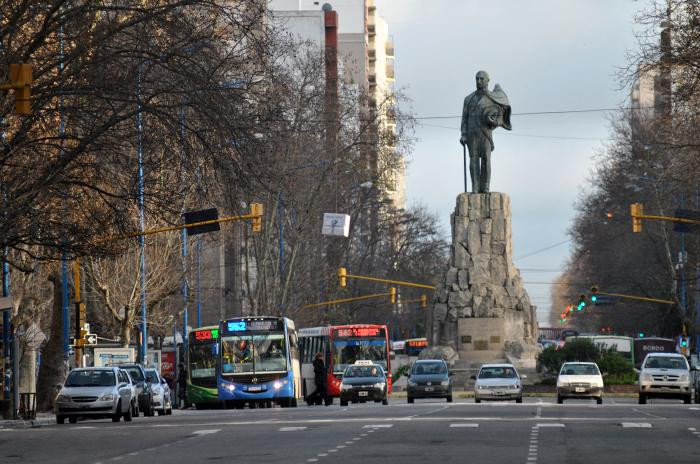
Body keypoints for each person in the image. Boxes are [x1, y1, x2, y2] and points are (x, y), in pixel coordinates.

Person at [459, 70, 512, 193]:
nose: (479, 81)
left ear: (487, 81)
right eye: (477, 79)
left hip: (486, 134)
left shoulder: (493, 98)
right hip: (472, 135)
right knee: (473, 161)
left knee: (486, 160)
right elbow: (464, 118)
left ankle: (485, 187)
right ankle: (475, 188)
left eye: (481, 79)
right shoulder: (468, 99)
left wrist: (493, 121)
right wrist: (463, 134)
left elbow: (499, 117)